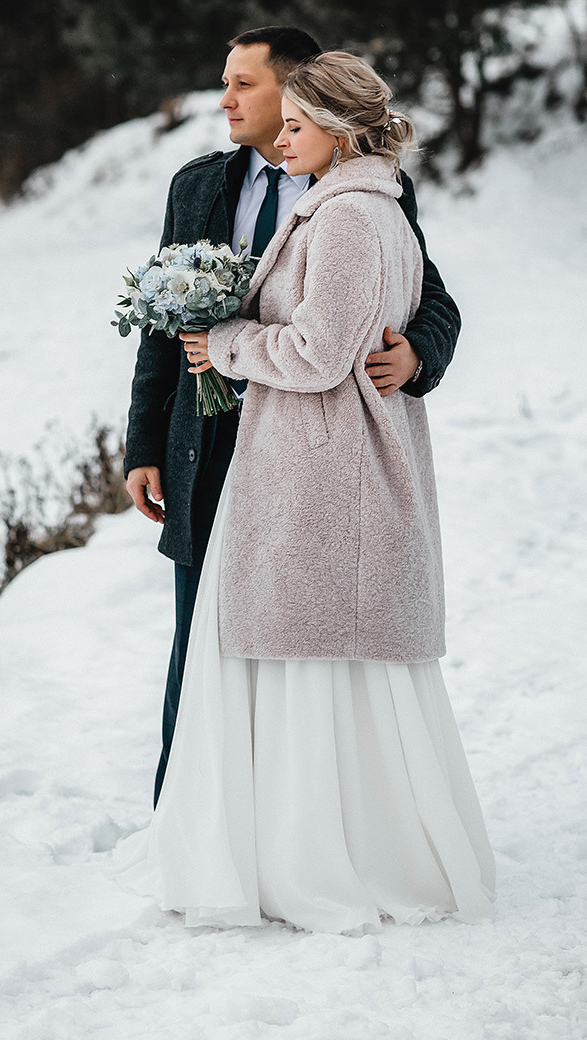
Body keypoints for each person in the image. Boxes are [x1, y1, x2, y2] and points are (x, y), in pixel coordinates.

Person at [115, 51, 495, 932]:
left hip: (309, 455)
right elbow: (161, 331)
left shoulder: (357, 208)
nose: (230, 99)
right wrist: (147, 439)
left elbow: (418, 300)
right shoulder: (202, 185)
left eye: (249, 85)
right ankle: (203, 826)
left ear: (311, 102)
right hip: (221, 448)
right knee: (206, 641)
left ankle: (281, 844)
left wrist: (416, 353)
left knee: (285, 650)